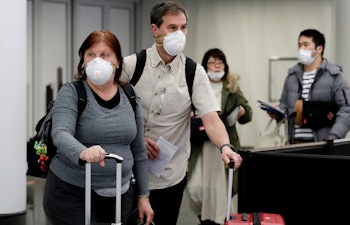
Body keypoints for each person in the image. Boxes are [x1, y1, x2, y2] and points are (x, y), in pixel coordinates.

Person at [120, 2, 243, 225]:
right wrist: (135, 138)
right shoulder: (132, 65)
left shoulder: (193, 72)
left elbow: (211, 118)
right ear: (155, 30)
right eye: (172, 28)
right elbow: (105, 106)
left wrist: (225, 147)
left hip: (168, 175)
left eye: (183, 27)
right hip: (127, 173)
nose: (180, 34)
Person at [43, 30, 154, 225]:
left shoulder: (129, 94)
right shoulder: (72, 91)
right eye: (91, 55)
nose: (97, 60)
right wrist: (83, 151)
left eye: (105, 55)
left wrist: (143, 196)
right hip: (72, 193)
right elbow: (60, 133)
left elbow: (138, 150)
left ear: (118, 61)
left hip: (120, 194)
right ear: (83, 61)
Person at [186, 48, 253, 225]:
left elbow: (248, 115)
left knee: (220, 192)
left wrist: (240, 112)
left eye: (220, 62)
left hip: (222, 146)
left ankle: (216, 222)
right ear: (204, 65)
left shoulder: (232, 87)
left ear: (225, 65)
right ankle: (203, 218)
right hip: (199, 145)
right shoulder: (197, 86)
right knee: (195, 189)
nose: (216, 66)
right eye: (212, 62)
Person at [268, 29, 350, 143]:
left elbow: (346, 110)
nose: (301, 49)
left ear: (319, 49)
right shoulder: (292, 76)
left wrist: (333, 137)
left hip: (321, 143)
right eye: (299, 45)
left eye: (306, 45)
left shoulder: (334, 76)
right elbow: (285, 106)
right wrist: (277, 112)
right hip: (294, 143)